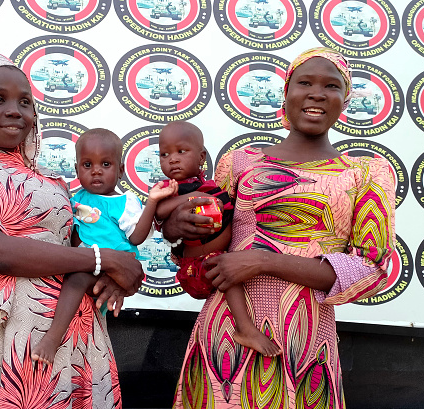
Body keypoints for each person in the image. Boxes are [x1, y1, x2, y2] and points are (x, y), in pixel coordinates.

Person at [164, 48, 396, 408]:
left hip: (304, 344)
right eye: (305, 82)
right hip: (226, 334)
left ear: (344, 100)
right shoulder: (240, 162)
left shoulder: (366, 173)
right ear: (286, 94)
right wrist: (182, 230)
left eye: (331, 86)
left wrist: (264, 261)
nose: (317, 93)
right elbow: (206, 259)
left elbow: (372, 270)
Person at [0, 54, 143, 409]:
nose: (15, 110)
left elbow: (82, 251)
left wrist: (115, 273)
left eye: (25, 102)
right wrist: (104, 260)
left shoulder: (53, 183)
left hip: (75, 334)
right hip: (1, 341)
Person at [31, 128, 177, 365]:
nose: (96, 171)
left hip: (112, 267)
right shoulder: (75, 198)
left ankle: (52, 339)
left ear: (120, 170)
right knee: (83, 311)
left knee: (78, 281)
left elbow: (137, 238)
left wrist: (151, 202)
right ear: (77, 169)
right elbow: (72, 233)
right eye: (87, 165)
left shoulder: (124, 202)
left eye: (106, 164)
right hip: (85, 261)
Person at [155, 121, 281, 356]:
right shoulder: (169, 188)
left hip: (220, 257)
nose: (172, 159)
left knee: (230, 269)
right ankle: (246, 329)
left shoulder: (208, 184)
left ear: (201, 156)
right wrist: (192, 196)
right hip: (198, 265)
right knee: (228, 276)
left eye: (181, 152)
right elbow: (160, 211)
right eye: (164, 154)